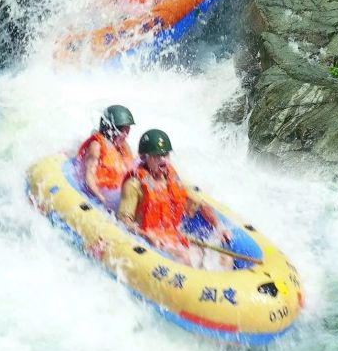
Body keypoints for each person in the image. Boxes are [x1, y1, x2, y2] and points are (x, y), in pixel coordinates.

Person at [118, 129, 230, 264]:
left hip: (173, 236)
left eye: (165, 155)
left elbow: (200, 205)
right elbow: (124, 222)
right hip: (150, 241)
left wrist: (219, 227)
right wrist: (146, 236)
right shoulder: (134, 185)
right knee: (186, 257)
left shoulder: (172, 180)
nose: (163, 160)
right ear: (144, 157)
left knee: (226, 259)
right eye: (156, 156)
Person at [77, 105, 135, 208]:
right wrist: (102, 198)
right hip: (102, 192)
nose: (126, 135)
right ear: (111, 129)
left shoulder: (123, 147)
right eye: (123, 131)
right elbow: (89, 176)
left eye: (128, 131)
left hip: (118, 193)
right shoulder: (96, 146)